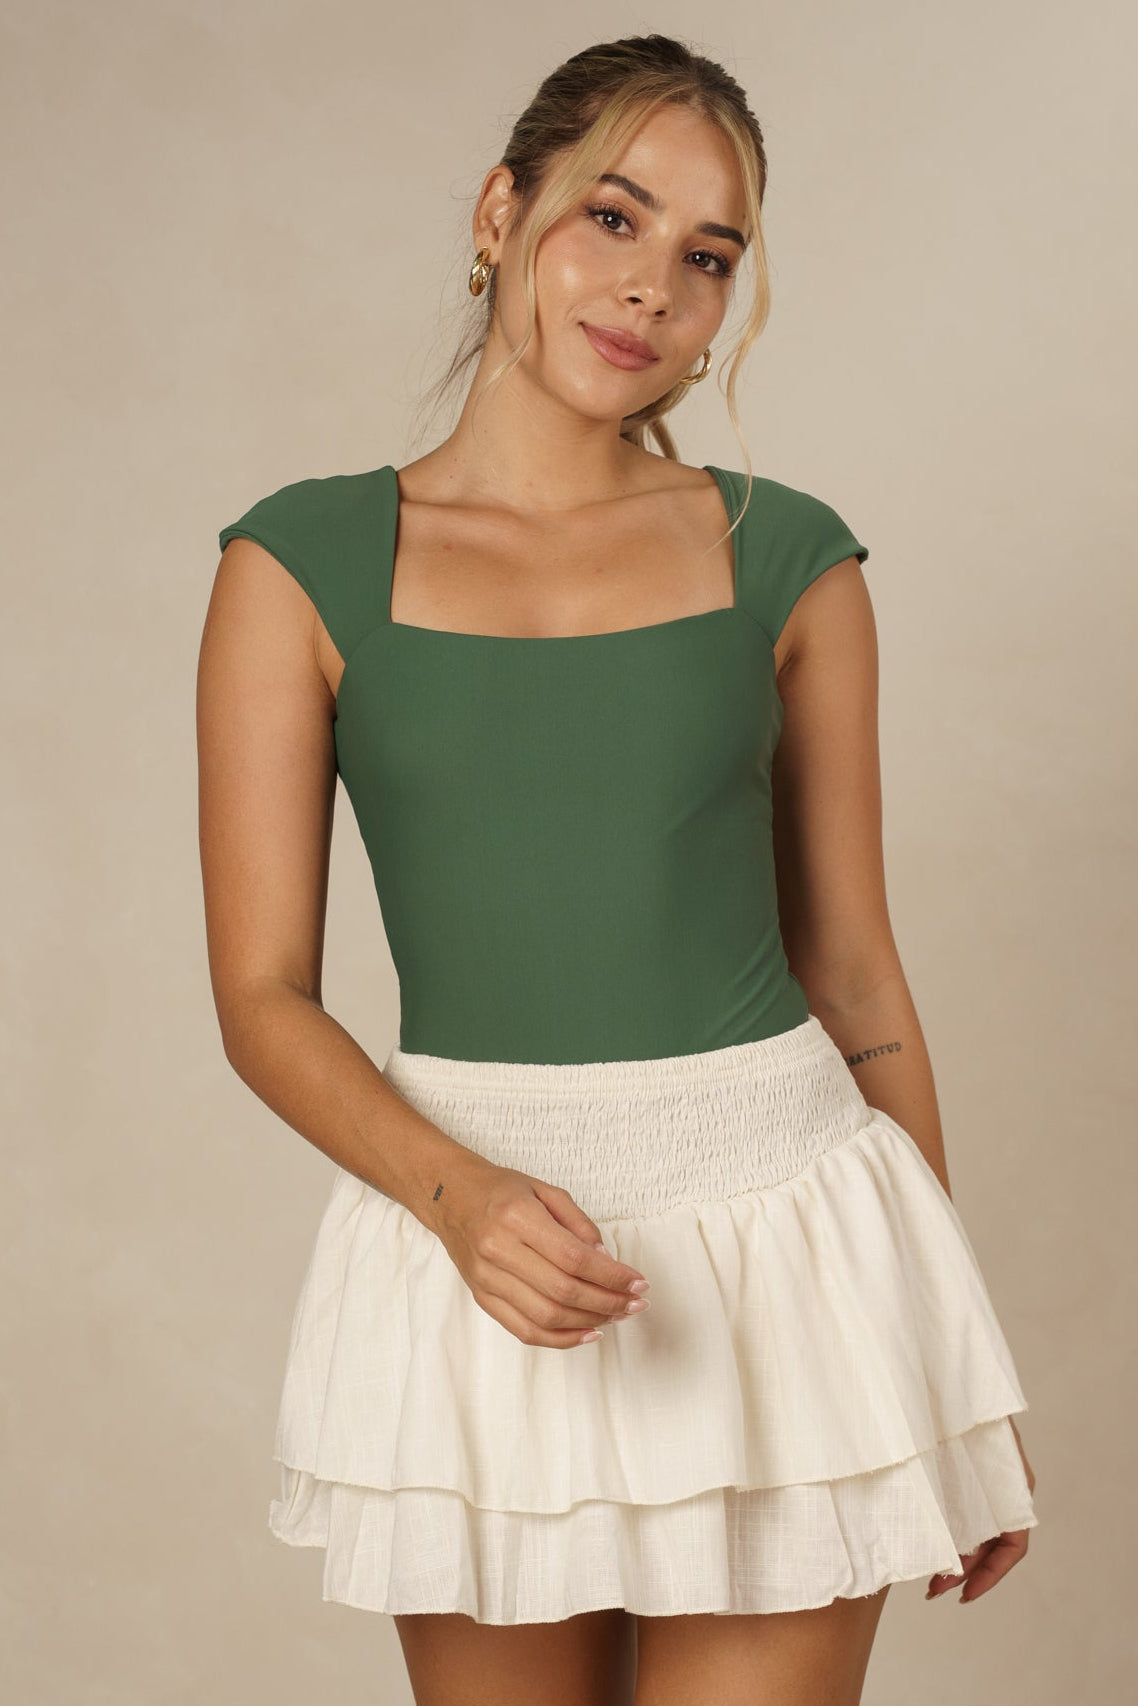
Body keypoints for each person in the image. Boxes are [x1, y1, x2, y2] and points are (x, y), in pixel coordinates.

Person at [197, 32, 1039, 1706]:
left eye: (706, 256)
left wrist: (946, 1363)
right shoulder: (298, 565)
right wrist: (458, 1199)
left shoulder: (785, 555)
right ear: (500, 213)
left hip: (787, 1254)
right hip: (482, 1259)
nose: (653, 285)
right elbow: (259, 994)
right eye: (613, 216)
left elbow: (853, 971)